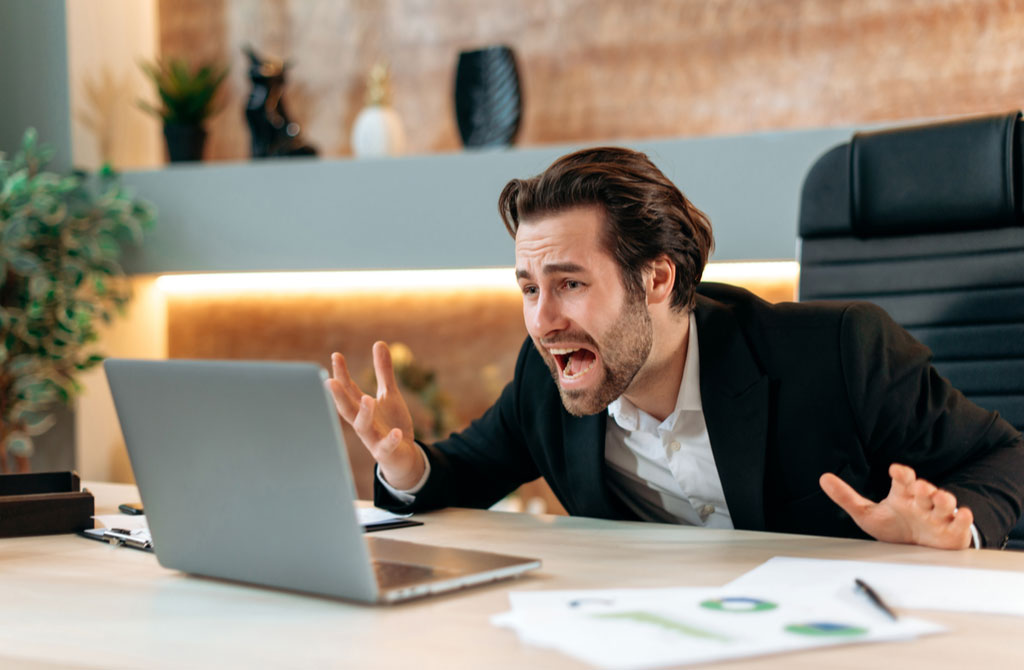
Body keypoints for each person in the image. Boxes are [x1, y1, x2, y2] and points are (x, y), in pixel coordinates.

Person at [327, 147, 1024, 550]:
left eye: (569, 283)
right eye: (528, 288)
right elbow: (453, 480)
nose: (542, 320)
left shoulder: (838, 353)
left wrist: (949, 532)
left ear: (656, 276)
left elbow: (1007, 454)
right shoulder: (549, 380)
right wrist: (406, 463)